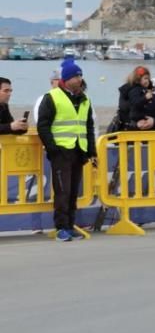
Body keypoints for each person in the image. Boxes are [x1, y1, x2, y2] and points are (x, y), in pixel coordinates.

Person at [36, 60, 97, 241]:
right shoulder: (52, 97)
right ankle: (61, 227)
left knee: (72, 192)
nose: (79, 79)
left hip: (79, 150)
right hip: (61, 151)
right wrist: (53, 148)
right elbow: (43, 125)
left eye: (80, 76)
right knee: (62, 191)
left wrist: (91, 151)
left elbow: (88, 127)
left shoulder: (84, 99)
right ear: (66, 79)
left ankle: (70, 225)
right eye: (76, 76)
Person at [113, 66, 155, 132]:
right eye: (145, 78)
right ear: (138, 79)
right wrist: (145, 98)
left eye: (148, 79)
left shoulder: (130, 87)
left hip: (126, 120)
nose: (147, 81)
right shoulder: (135, 90)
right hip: (130, 122)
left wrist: (150, 87)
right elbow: (135, 103)